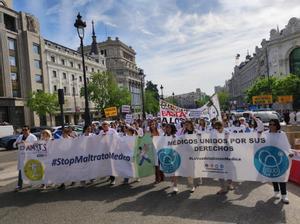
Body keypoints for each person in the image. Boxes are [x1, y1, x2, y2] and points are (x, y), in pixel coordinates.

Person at [267, 119, 293, 204]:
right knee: (274, 176)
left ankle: (284, 195)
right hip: (270, 158)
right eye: (270, 124)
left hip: (281, 158)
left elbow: (286, 145)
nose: (271, 126)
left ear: (277, 125)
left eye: (273, 124)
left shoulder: (282, 134)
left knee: (282, 177)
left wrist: (290, 153)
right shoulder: (266, 134)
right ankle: (276, 192)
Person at [15, 125, 38, 191]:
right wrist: (18, 143)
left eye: (26, 130)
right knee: (21, 171)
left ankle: (32, 182)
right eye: (23, 130)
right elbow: (15, 144)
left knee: (30, 170)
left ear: (29, 130)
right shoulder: (20, 137)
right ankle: (19, 186)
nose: (24, 131)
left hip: (30, 156)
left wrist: (27, 143)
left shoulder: (33, 137)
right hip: (22, 157)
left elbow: (36, 145)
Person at [99, 121, 118, 185]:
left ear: (108, 125)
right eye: (103, 125)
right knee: (107, 165)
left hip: (111, 150)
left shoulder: (113, 131)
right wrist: (102, 137)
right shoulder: (101, 132)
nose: (104, 126)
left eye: (105, 124)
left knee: (111, 164)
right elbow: (98, 139)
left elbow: (117, 138)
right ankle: (110, 176)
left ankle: (113, 179)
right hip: (104, 151)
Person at [148, 119, 164, 184]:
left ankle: (162, 177)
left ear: (156, 125)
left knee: (161, 164)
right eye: (151, 124)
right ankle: (157, 178)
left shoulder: (160, 131)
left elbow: (163, 138)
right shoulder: (148, 132)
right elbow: (146, 142)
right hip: (153, 150)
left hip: (160, 149)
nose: (152, 125)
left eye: (154, 124)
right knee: (156, 165)